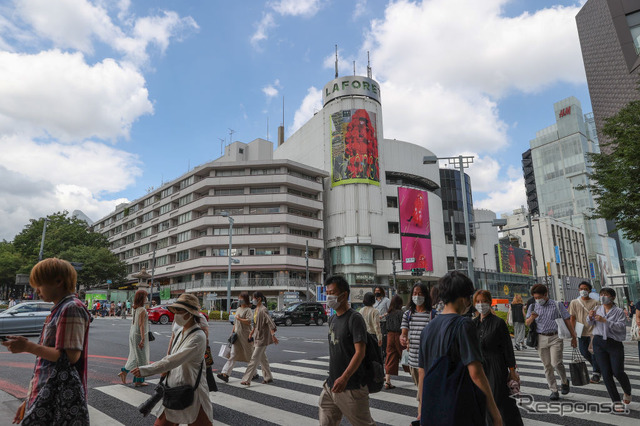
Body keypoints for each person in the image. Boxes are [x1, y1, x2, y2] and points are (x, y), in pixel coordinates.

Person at [2, 258, 91, 424]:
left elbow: (70, 357)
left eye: (40, 284)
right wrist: (32, 399)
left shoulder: (71, 308)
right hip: (48, 394)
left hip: (59, 398)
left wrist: (28, 346)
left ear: (58, 281)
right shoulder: (58, 309)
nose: (36, 290)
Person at [418, 271, 502, 426]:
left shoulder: (427, 329)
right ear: (463, 299)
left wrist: (422, 410)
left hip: (433, 409)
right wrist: (495, 415)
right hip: (458, 408)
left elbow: (422, 373)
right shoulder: (464, 325)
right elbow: (476, 373)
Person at [132, 293, 213, 426]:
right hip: (174, 389)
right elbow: (171, 357)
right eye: (175, 310)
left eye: (180, 311)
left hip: (192, 391)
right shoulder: (182, 332)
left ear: (190, 313)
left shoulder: (198, 336)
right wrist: (165, 371)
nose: (176, 314)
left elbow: (174, 360)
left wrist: (146, 370)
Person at [318, 275, 375, 426]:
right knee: (326, 422)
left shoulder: (354, 318)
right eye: (327, 292)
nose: (329, 296)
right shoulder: (333, 319)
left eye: (333, 292)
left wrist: (344, 378)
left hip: (351, 387)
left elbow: (360, 352)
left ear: (344, 295)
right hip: (331, 385)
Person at [473, 290, 523, 426]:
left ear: (489, 302)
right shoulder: (473, 324)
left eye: (483, 301)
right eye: (477, 302)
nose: (481, 304)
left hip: (496, 366)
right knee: (483, 399)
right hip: (479, 367)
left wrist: (512, 370)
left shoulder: (498, 323)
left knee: (497, 399)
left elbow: (507, 348)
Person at [525, 284, 577, 401]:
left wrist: (574, 336)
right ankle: (553, 390)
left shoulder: (557, 305)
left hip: (555, 337)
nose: (538, 300)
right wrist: (532, 318)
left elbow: (567, 320)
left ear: (545, 294)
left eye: (539, 297)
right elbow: (527, 323)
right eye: (535, 297)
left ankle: (564, 381)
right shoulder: (532, 306)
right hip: (540, 338)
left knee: (556, 363)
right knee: (547, 365)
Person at [588, 288, 632, 409]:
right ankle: (616, 401)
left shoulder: (618, 311)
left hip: (614, 343)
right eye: (601, 295)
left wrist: (605, 321)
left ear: (612, 297)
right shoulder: (597, 308)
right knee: (606, 373)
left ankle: (627, 391)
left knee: (618, 371)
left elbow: (621, 327)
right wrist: (590, 317)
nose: (603, 297)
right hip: (598, 342)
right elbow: (590, 324)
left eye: (606, 295)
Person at [241, 291, 278, 385]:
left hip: (263, 337)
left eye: (253, 298)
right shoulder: (256, 309)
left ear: (259, 299)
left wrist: (273, 335)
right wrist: (251, 333)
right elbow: (256, 324)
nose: (252, 300)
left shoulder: (263, 309)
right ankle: (268, 377)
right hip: (257, 336)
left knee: (254, 358)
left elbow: (270, 323)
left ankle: (247, 379)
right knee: (263, 359)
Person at [400, 281, 432, 392]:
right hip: (413, 359)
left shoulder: (432, 314)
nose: (417, 296)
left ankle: (422, 409)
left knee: (425, 392)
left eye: (420, 294)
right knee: (420, 390)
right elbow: (403, 334)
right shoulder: (408, 314)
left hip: (428, 359)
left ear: (425, 296)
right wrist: (403, 339)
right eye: (414, 293)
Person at [569, 281, 601, 383]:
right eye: (581, 289)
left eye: (586, 289)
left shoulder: (595, 302)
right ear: (578, 290)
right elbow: (572, 318)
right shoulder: (574, 302)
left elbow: (599, 317)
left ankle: (596, 373)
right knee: (584, 352)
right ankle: (599, 367)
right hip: (580, 331)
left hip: (593, 331)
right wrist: (572, 332)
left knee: (594, 353)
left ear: (590, 290)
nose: (583, 291)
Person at [218, 292, 253, 383]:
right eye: (239, 298)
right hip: (237, 335)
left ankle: (254, 373)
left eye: (240, 298)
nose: (239, 299)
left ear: (245, 299)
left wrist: (239, 319)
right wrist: (232, 332)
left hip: (245, 335)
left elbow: (249, 322)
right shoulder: (238, 309)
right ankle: (225, 374)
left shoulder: (248, 310)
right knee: (233, 354)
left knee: (249, 354)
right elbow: (235, 323)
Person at [118, 290, 150, 387]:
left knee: (135, 356)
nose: (146, 299)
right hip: (138, 335)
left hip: (133, 333)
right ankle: (138, 380)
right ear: (142, 298)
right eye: (145, 297)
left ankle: (124, 372)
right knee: (141, 358)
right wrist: (143, 339)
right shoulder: (142, 310)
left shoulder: (135, 308)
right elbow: (141, 325)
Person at [384, 294, 405, 390]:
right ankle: (416, 377)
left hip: (390, 336)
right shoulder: (401, 313)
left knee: (390, 356)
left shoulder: (388, 314)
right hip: (399, 335)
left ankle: (387, 381)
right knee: (405, 355)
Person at [373, 286, 390, 359]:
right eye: (376, 291)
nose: (377, 292)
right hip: (375, 323)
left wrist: (383, 316)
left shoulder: (386, 300)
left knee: (383, 339)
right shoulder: (373, 301)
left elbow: (390, 311)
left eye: (378, 291)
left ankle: (384, 354)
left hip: (383, 322)